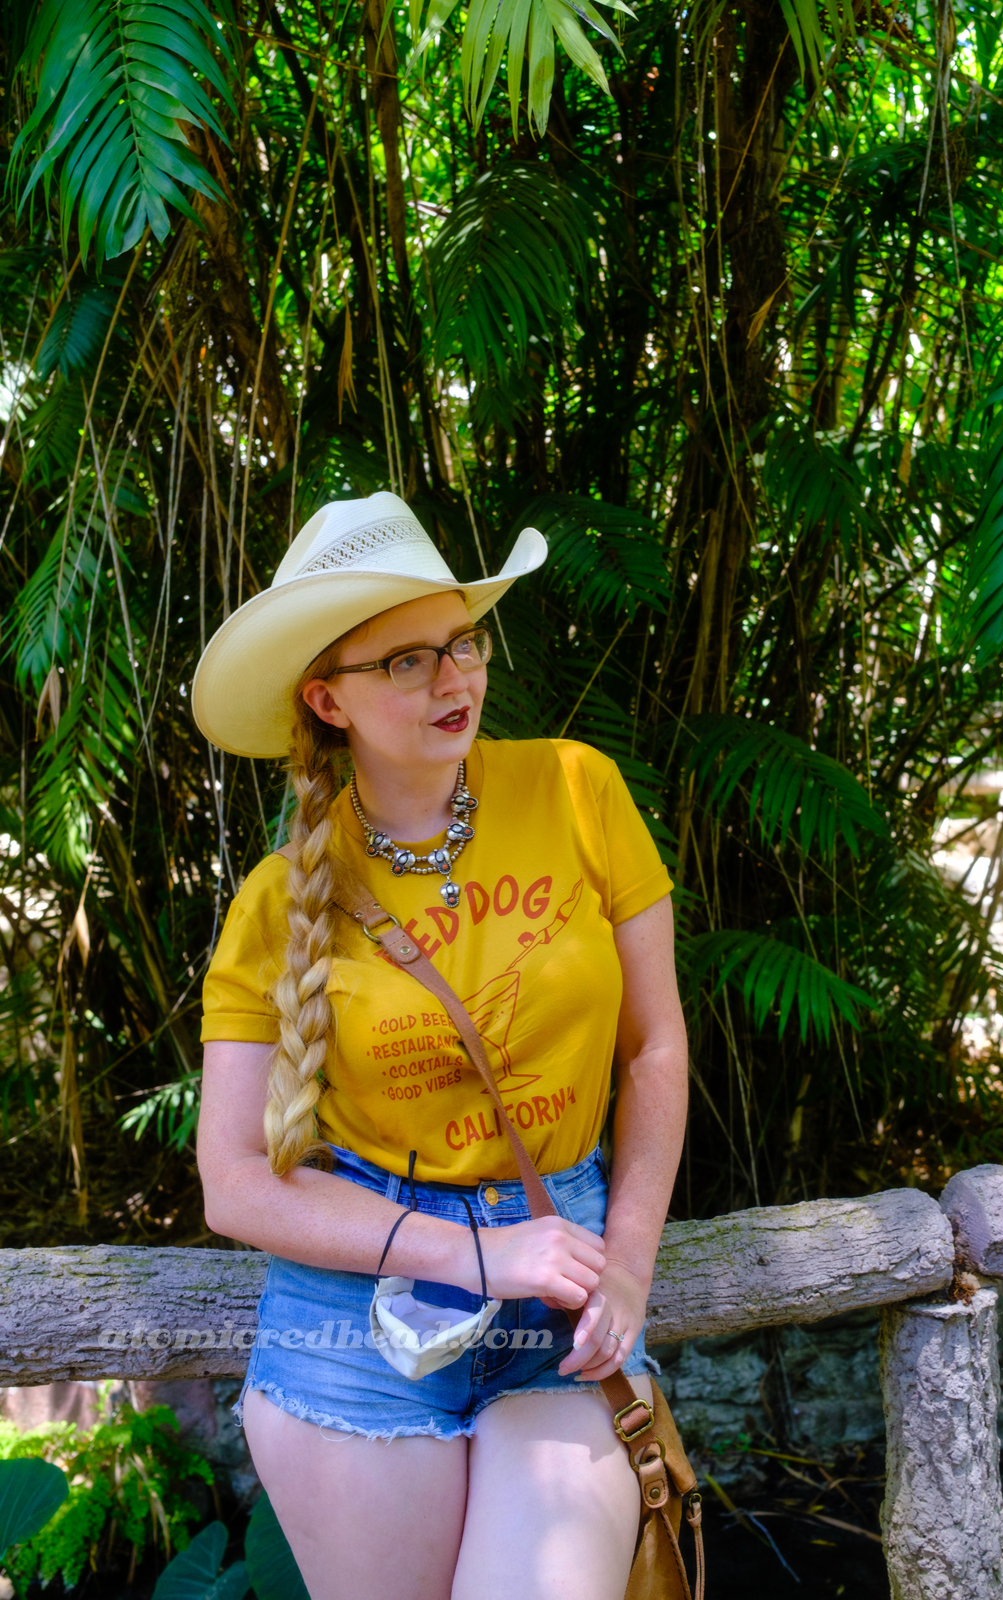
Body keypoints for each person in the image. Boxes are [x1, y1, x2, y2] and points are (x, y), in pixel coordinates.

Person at [193, 492, 688, 1600]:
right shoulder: (278, 904)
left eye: (461, 642)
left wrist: (628, 1259)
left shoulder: (574, 788)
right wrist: (470, 1256)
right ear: (327, 697)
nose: (454, 679)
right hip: (353, 1310)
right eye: (406, 660)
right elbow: (232, 1182)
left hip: (557, 1277)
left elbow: (652, 1046)